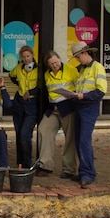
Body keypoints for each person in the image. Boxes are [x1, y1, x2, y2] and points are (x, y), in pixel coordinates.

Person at [34, 50, 79, 179]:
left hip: (67, 106)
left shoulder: (71, 70)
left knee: (70, 138)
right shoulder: (47, 74)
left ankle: (69, 168)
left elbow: (79, 86)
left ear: (60, 59)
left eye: (56, 62)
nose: (55, 65)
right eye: (52, 64)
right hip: (52, 108)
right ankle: (45, 165)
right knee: (43, 130)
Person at [69, 41, 108, 188]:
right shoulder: (83, 69)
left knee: (84, 140)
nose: (78, 60)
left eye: (78, 57)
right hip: (80, 106)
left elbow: (101, 91)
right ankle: (85, 170)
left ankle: (87, 174)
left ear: (86, 53)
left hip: (89, 107)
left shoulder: (97, 68)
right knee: (80, 140)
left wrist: (83, 97)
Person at [8, 45, 39, 168]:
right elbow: (12, 76)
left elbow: (42, 86)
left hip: (32, 104)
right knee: (18, 134)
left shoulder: (38, 69)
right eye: (23, 57)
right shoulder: (18, 68)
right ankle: (20, 162)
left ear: (32, 55)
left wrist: (31, 92)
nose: (26, 59)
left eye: (28, 56)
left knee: (25, 134)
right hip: (19, 104)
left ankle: (27, 162)